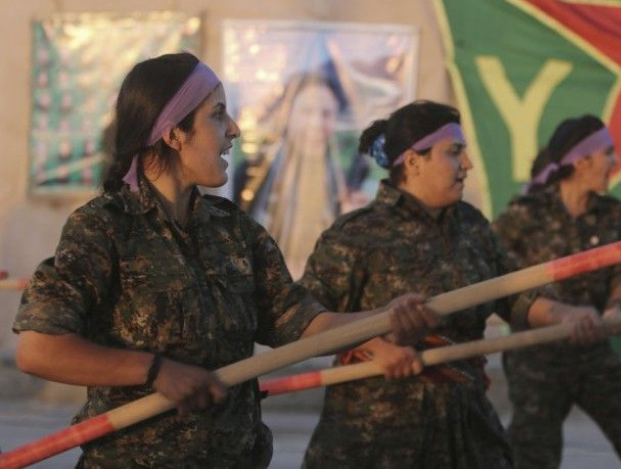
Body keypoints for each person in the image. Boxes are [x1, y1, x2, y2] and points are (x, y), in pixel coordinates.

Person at [11, 53, 438, 469]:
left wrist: (383, 320)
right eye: (218, 115)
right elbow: (39, 350)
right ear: (174, 133)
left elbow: (301, 322)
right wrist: (155, 370)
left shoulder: (233, 229)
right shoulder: (103, 229)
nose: (234, 130)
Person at [298, 101, 605, 468]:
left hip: (466, 429)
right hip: (379, 435)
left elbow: (513, 294)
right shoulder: (357, 234)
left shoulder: (472, 226)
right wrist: (376, 346)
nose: (467, 165)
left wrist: (565, 316)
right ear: (413, 162)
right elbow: (304, 317)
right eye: (454, 153)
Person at [491, 114, 621, 468]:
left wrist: (616, 309)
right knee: (532, 449)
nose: (616, 161)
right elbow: (492, 275)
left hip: (592, 349)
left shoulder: (611, 214)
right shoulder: (525, 213)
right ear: (582, 160)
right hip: (536, 354)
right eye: (609, 153)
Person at [231, 73, 351, 277]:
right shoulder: (253, 174)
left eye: (327, 114)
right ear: (287, 114)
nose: (316, 123)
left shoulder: (349, 179)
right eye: (306, 111)